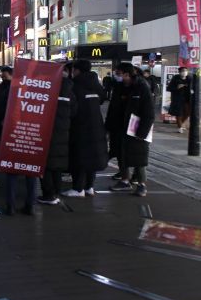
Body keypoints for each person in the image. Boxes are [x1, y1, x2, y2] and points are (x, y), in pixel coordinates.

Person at [62, 60, 108, 198]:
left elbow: (71, 109)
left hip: (80, 126)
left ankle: (78, 189)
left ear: (76, 70)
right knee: (92, 157)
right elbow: (101, 99)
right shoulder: (95, 85)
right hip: (97, 126)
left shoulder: (74, 85)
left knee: (79, 157)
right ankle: (89, 187)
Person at [110, 63, 155, 197]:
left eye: (118, 73)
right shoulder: (119, 87)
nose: (116, 76)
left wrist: (142, 132)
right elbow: (113, 108)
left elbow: (149, 113)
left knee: (138, 156)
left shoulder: (141, 87)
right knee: (121, 154)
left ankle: (141, 185)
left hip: (136, 127)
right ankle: (124, 181)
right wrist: (109, 126)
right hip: (120, 126)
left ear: (126, 74)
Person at [37, 69, 77, 205]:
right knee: (58, 165)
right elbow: (74, 111)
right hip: (63, 132)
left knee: (46, 165)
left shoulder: (48, 91)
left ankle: (49, 195)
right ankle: (56, 192)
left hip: (47, 131)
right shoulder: (70, 92)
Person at [167, 67, 192, 133]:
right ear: (179, 72)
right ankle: (180, 127)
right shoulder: (175, 78)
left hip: (187, 99)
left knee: (188, 112)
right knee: (179, 113)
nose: (184, 72)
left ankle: (181, 123)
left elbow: (192, 87)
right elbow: (169, 88)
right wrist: (177, 87)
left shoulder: (189, 78)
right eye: (183, 71)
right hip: (177, 99)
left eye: (186, 71)